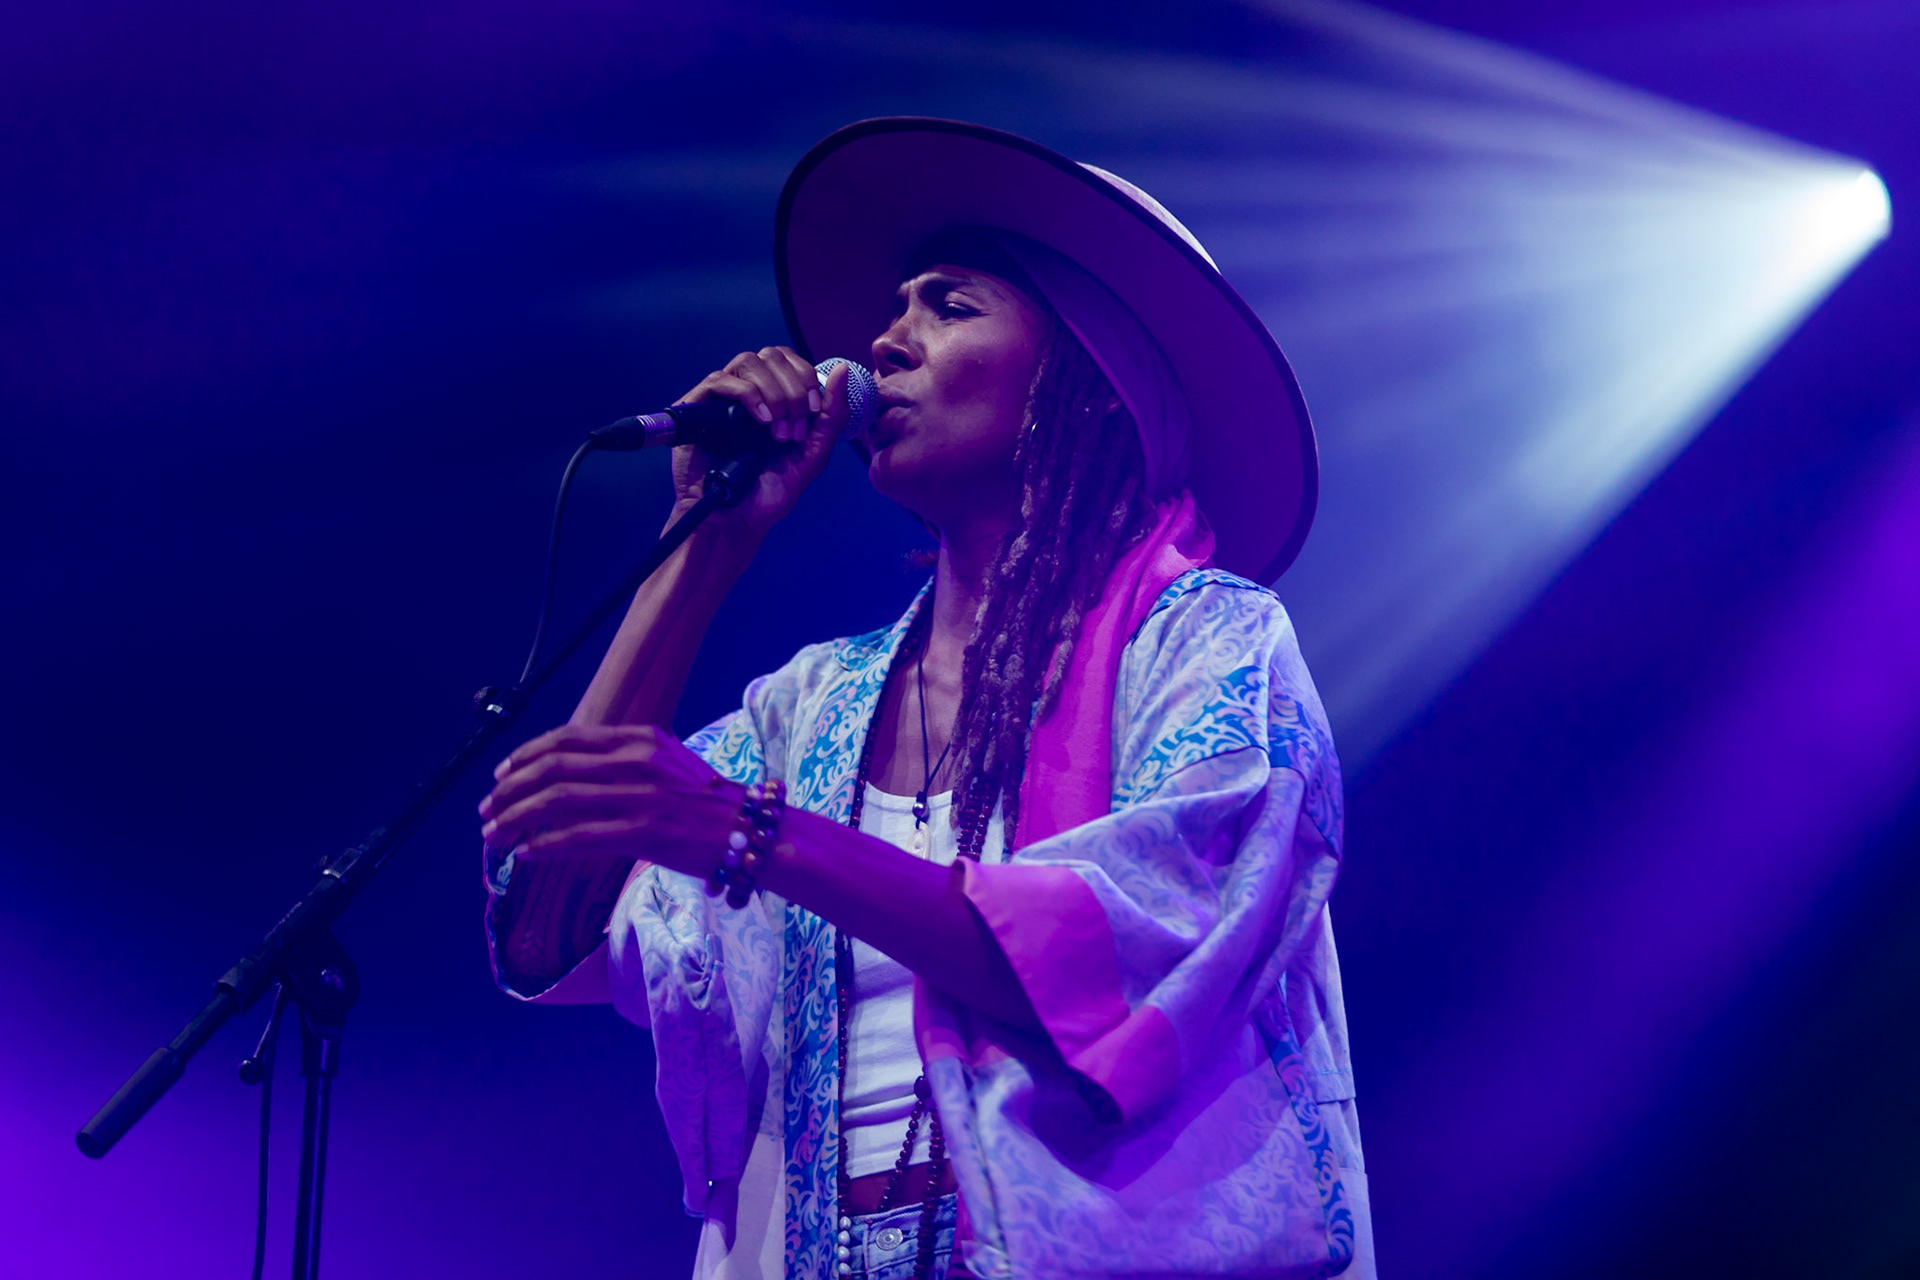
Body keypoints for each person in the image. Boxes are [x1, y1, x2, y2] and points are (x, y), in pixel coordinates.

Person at [476, 119, 1372, 1280]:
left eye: (948, 306)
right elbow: (543, 924)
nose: (882, 344)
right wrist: (702, 546)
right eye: (895, 310)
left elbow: (1128, 958)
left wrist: (746, 831)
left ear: (1085, 375)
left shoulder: (1211, 647)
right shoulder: (810, 708)